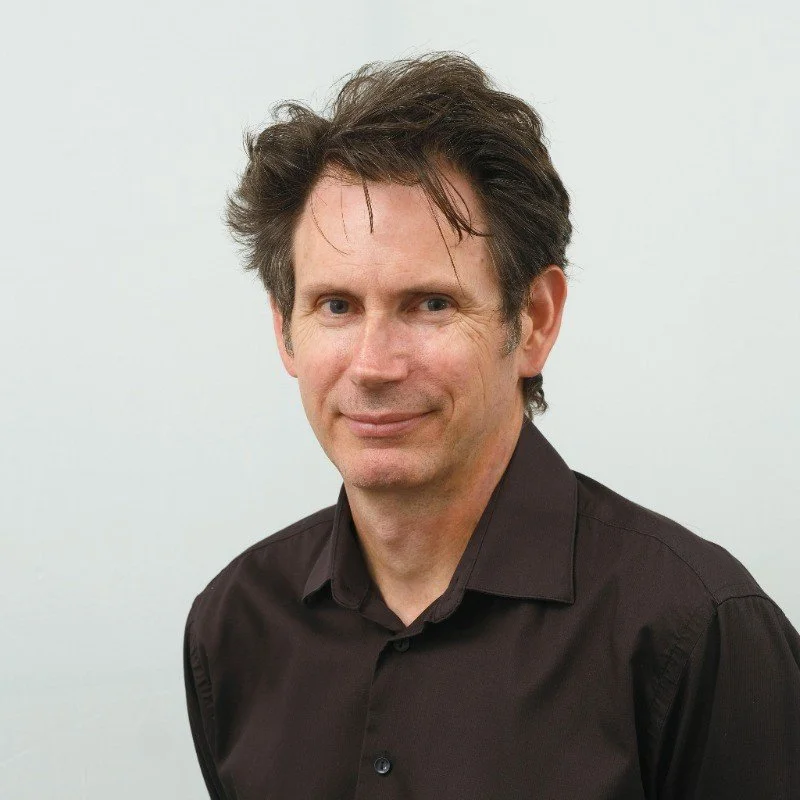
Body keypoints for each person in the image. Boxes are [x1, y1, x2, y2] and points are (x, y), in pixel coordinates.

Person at [182, 53, 800, 799]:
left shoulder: (695, 630)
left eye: (430, 304)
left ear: (534, 321)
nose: (374, 365)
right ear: (285, 331)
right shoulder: (234, 629)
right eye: (336, 306)